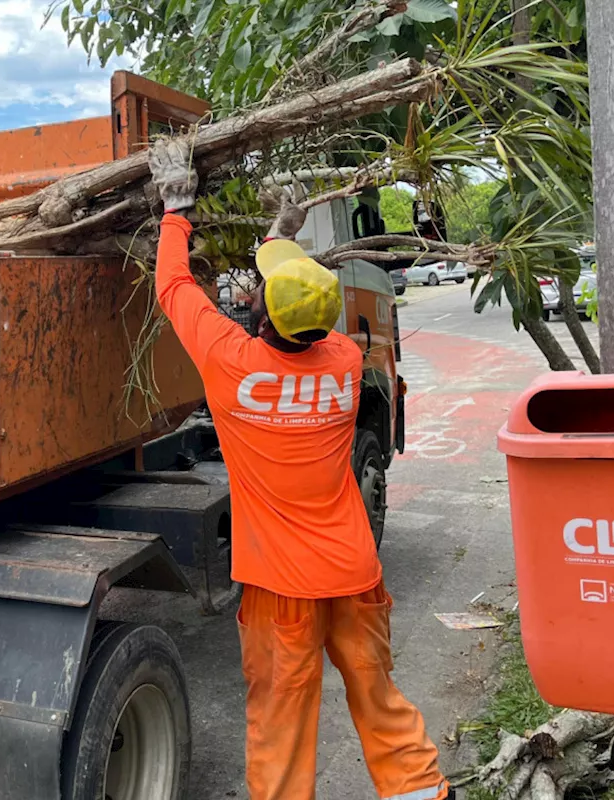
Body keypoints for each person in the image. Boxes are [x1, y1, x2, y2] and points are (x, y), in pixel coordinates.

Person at [148, 137, 452, 800]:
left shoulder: (232, 365)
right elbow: (282, 309)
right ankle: (423, 792)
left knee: (282, 732)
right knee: (379, 702)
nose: (250, 292)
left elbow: (173, 285)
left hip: (280, 590)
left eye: (256, 291)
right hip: (354, 573)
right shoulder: (344, 359)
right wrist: (278, 237)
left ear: (259, 313)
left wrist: (177, 207)